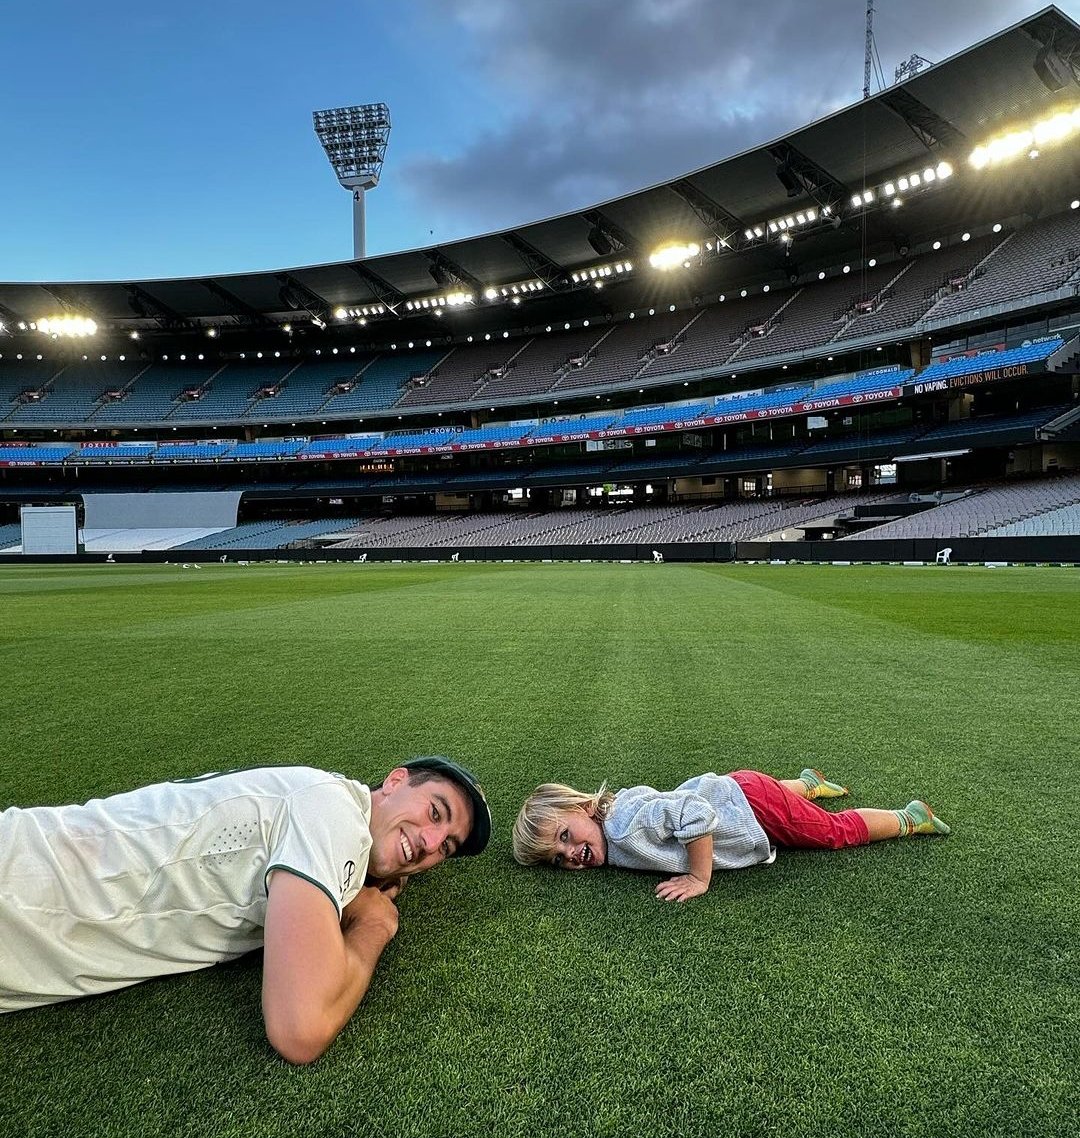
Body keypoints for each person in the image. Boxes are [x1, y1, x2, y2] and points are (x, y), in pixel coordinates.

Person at [0, 756, 491, 1064]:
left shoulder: (333, 832)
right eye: (434, 811)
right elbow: (300, 1030)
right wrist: (375, 928)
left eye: (445, 847)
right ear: (395, 780)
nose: (429, 842)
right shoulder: (333, 812)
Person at [512, 768, 949, 902]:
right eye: (558, 856)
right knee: (788, 800)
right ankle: (809, 785)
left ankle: (909, 817)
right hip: (741, 790)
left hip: (753, 809)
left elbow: (696, 814)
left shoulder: (626, 825)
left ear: (585, 808)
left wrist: (700, 877)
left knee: (833, 832)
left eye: (566, 835)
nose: (570, 853)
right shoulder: (615, 815)